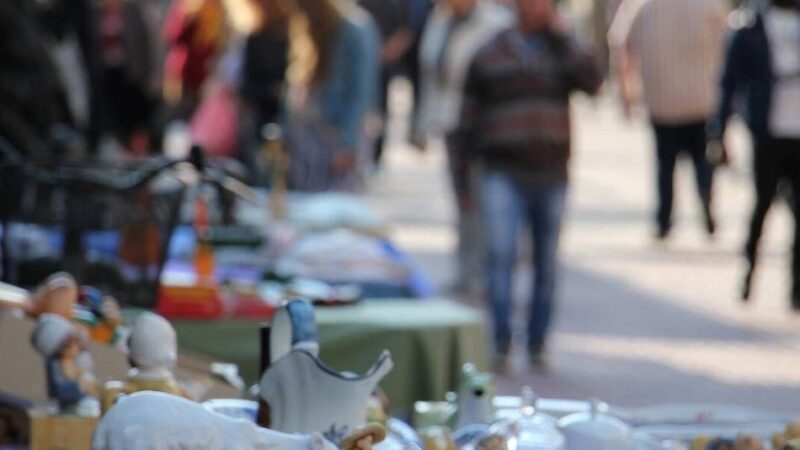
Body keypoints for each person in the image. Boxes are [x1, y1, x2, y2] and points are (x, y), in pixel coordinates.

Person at [455, 0, 602, 370]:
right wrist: (462, 183)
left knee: (546, 263)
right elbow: (466, 122)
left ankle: (537, 343)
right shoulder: (489, 53)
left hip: (551, 174)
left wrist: (564, 38)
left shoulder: (562, 50)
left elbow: (593, 81)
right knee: (501, 255)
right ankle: (501, 341)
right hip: (502, 171)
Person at [414, 0, 514, 295]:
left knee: (483, 200)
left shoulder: (496, 22)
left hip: (486, 128)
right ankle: (466, 270)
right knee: (463, 201)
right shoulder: (440, 21)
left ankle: (486, 274)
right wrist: (421, 124)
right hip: (452, 124)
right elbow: (431, 76)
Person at [610, 0, 728, 240]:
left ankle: (664, 221)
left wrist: (626, 94)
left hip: (662, 100)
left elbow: (622, 45)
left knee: (665, 166)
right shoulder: (709, 5)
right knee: (701, 161)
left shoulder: (642, 6)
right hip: (701, 98)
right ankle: (705, 199)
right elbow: (728, 43)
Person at [708, 0, 800, 307]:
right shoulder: (749, 26)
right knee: (762, 205)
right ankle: (749, 272)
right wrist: (719, 134)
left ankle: (796, 287)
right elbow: (729, 81)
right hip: (768, 134)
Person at [277, 0, 379, 192]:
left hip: (335, 131)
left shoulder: (354, 29)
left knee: (335, 202)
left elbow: (361, 91)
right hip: (309, 133)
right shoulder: (308, 30)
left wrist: (349, 142)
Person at [359, 0, 414, 167]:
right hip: (361, 63)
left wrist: (386, 53)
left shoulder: (394, 4)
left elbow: (405, 32)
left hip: (383, 65)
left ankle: (375, 154)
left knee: (380, 109)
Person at [97, 0, 155, 154]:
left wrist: (149, 75)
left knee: (137, 122)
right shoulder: (98, 13)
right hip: (109, 77)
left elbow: (145, 44)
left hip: (132, 77)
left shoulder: (132, 11)